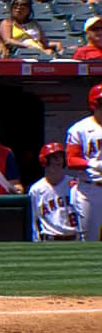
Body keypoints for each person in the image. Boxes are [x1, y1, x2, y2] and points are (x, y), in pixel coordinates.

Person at [65, 84, 102, 241]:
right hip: (90, 189)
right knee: (89, 240)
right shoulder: (80, 128)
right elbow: (71, 159)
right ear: (94, 104)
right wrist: (92, 164)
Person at [27, 143, 80, 242]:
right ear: (44, 160)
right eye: (54, 157)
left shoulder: (74, 184)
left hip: (74, 238)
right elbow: (33, 220)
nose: (59, 160)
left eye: (61, 157)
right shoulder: (36, 189)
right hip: (49, 239)